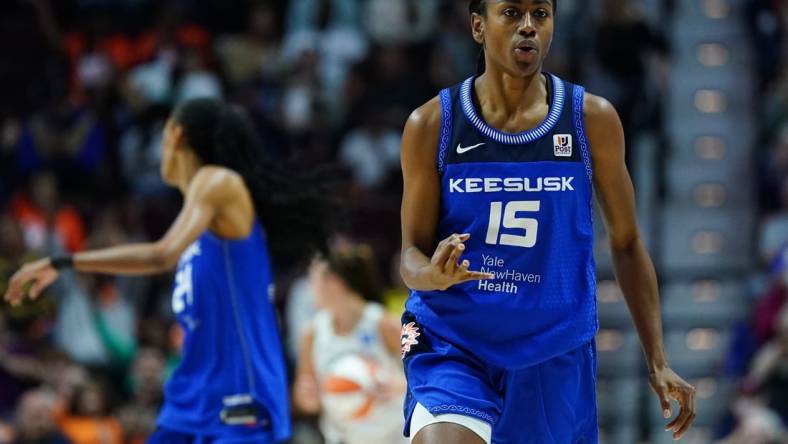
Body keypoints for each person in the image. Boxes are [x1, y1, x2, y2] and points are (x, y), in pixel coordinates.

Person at [398, 1, 696, 443]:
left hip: (553, 350)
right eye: (512, 13)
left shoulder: (590, 119)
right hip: (454, 341)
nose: (528, 28)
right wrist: (432, 275)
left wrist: (657, 358)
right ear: (478, 27)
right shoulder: (432, 124)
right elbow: (409, 255)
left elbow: (628, 242)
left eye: (540, 14)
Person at [5, 97, 334, 443]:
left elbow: (159, 255)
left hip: (239, 385)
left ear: (178, 137)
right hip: (197, 389)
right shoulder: (204, 236)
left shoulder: (217, 181)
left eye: (162, 138)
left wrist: (64, 262)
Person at [293, 244, 406, 444]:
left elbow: (422, 376)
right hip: (343, 438)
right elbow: (304, 399)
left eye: (314, 279)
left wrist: (400, 385)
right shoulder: (312, 332)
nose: (310, 287)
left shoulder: (382, 323)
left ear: (334, 282)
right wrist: (308, 397)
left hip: (391, 435)